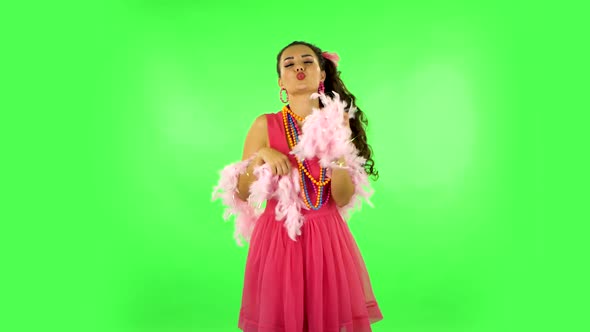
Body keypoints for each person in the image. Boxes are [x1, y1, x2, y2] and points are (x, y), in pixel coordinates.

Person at [213, 41, 383, 332]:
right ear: (281, 81)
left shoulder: (337, 124)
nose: (298, 67)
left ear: (321, 75)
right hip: (278, 239)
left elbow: (341, 199)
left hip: (327, 239)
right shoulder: (264, 125)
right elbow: (242, 192)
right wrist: (261, 156)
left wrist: (340, 142)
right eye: (289, 65)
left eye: (307, 62)